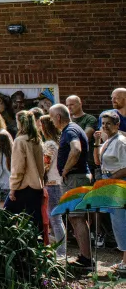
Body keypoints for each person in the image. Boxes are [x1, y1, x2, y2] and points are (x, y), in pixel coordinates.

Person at [51, 103, 93, 268]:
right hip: (77, 177)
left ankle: (86, 259)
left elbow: (76, 150)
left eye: (52, 117)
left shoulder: (70, 130)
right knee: (76, 217)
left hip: (75, 178)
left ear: (58, 117)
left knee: (77, 217)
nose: (52, 122)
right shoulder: (73, 128)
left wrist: (65, 170)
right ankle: (85, 256)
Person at [4, 110, 46, 240]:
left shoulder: (20, 141)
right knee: (34, 220)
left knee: (6, 217)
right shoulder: (37, 140)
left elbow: (18, 167)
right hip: (36, 184)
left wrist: (13, 188)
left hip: (23, 185)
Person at [95, 110, 126, 273]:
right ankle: (124, 261)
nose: (105, 126)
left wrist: (111, 178)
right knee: (117, 222)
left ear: (117, 124)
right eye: (103, 123)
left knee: (122, 222)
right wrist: (96, 142)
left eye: (108, 123)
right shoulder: (108, 140)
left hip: (119, 183)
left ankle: (125, 263)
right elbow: (97, 161)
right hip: (110, 182)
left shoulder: (121, 142)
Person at [39, 114, 66, 258]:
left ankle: (61, 251)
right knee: (54, 218)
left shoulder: (49, 144)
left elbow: (46, 164)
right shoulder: (55, 142)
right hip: (55, 183)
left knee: (55, 218)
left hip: (52, 183)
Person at [65, 95, 98, 178]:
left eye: (72, 104)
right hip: (71, 162)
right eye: (67, 105)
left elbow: (85, 137)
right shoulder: (67, 121)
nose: (69, 107)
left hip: (87, 162)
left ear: (80, 104)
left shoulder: (89, 119)